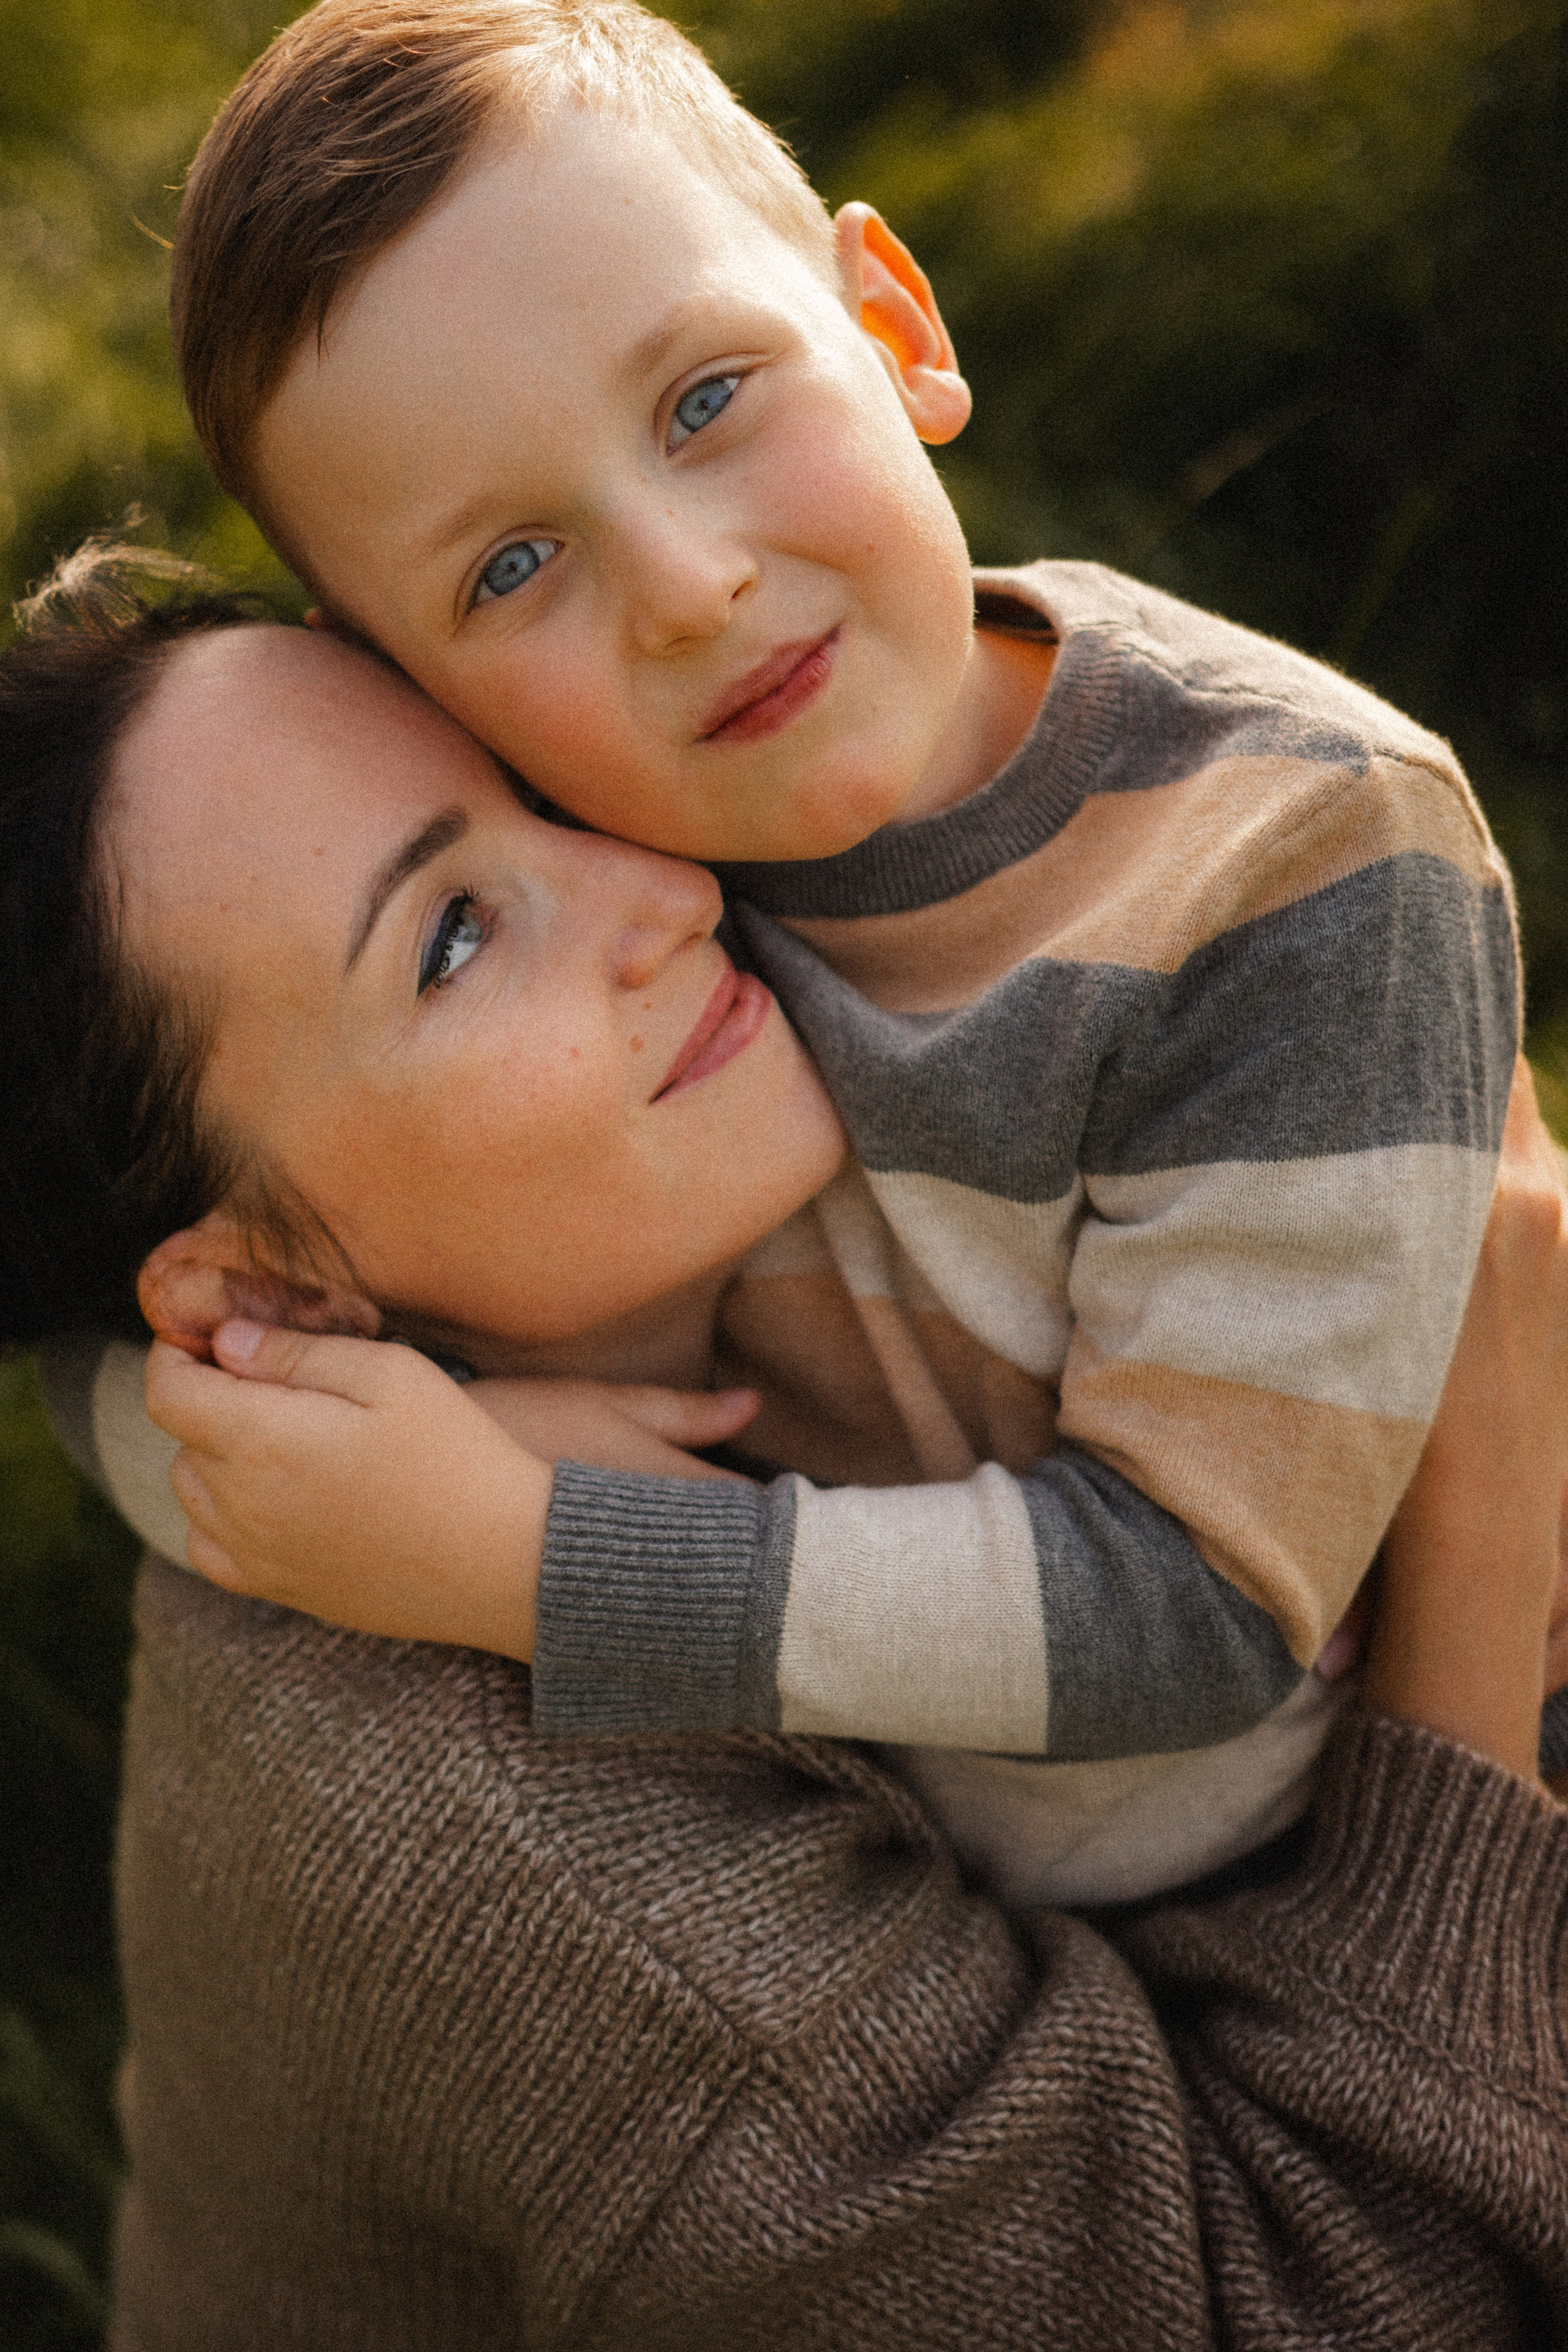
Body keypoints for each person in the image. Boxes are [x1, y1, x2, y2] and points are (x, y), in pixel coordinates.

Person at [6, 560, 1568, 2350]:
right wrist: (1476, 1566)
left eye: (544, 787)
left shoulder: (621, 1227)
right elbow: (1346, 2310)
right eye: (451, 933)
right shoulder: (558, 1899)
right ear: (249, 1289)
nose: (667, 889)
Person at [96, 0, 1519, 1845]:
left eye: (705, 401)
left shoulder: (1299, 865)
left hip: (1435, 1838)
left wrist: (531, 1550)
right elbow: (175, 1386)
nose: (689, 592)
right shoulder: (598, 861)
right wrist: (416, 1475)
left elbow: (1193, 1609)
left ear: (896, 331)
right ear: (413, 686)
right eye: (512, 568)